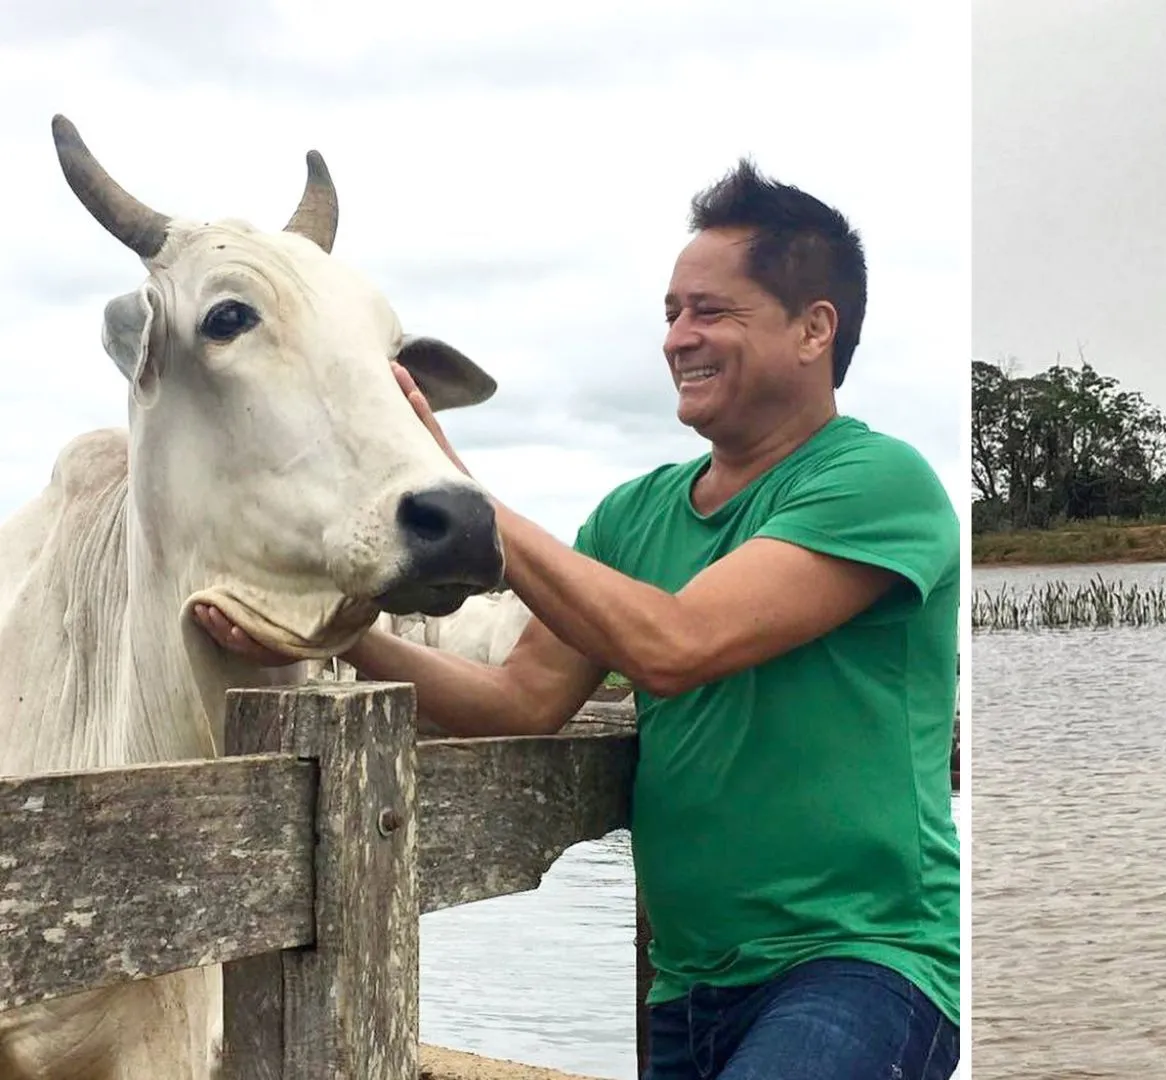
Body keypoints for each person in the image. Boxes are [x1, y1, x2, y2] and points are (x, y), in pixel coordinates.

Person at [194, 160, 962, 1078]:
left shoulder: (881, 486)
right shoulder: (632, 519)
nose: (679, 338)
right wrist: (339, 633)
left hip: (866, 965)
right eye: (671, 313)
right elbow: (520, 701)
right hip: (688, 987)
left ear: (814, 329)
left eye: (712, 312)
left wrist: (465, 501)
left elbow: (677, 644)